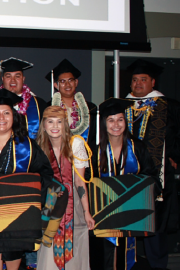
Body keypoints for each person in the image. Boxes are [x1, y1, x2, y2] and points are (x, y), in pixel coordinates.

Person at [0, 89, 53, 270]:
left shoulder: (27, 146)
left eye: (6, 113)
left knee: (13, 255)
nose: (1, 118)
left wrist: (34, 201)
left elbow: (46, 175)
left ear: (14, 116)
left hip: (17, 215)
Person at [91, 98, 160, 270]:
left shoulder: (138, 148)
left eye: (120, 119)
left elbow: (151, 176)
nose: (116, 124)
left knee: (126, 256)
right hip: (103, 217)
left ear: (125, 122)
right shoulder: (95, 151)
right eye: (111, 120)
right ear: (104, 123)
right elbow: (87, 182)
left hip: (130, 215)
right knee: (103, 257)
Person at [124, 59, 180, 270]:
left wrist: (175, 155)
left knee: (155, 225)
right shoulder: (123, 106)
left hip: (159, 177)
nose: (138, 84)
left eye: (143, 80)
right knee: (127, 221)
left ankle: (158, 266)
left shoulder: (168, 106)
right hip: (129, 176)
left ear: (153, 82)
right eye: (135, 80)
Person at [35, 106, 95, 270]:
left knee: (75, 246)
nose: (55, 126)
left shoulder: (75, 144)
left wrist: (86, 211)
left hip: (72, 204)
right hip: (49, 205)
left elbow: (80, 182)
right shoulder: (39, 146)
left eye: (59, 122)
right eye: (50, 122)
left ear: (65, 124)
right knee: (48, 251)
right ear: (44, 125)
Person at [46, 59, 96, 147]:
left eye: (70, 80)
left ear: (76, 82)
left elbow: (94, 137)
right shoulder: (48, 108)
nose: (67, 85)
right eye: (62, 81)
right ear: (56, 85)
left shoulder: (90, 109)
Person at [0, 57, 47, 140]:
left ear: (23, 79)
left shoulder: (39, 105)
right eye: (8, 76)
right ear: (2, 79)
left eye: (17, 76)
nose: (13, 81)